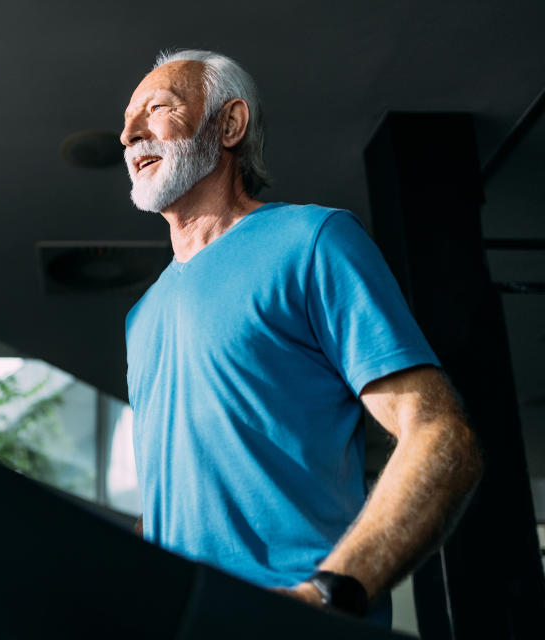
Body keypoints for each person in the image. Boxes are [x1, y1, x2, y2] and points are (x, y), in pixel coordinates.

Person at [121, 49, 483, 626]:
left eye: (156, 109)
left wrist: (325, 597)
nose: (128, 134)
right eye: (125, 121)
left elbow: (442, 436)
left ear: (229, 124)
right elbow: (171, 502)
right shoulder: (142, 318)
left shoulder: (311, 240)